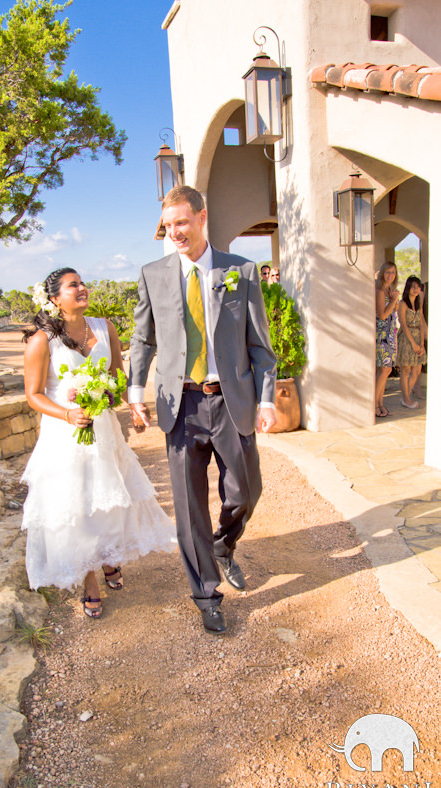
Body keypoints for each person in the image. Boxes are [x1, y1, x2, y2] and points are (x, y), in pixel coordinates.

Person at [129, 186, 277, 634]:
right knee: (190, 507)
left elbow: (260, 344)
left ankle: (224, 544)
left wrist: (266, 398)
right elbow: (143, 338)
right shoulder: (153, 273)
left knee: (247, 490)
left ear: (201, 217)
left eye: (182, 222)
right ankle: (206, 596)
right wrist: (136, 389)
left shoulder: (241, 270)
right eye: (168, 225)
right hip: (182, 404)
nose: (175, 232)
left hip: (231, 399)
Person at [21, 267, 176, 619]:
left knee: (108, 501)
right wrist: (67, 414)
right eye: (72, 285)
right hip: (65, 434)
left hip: (103, 430)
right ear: (54, 299)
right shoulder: (41, 341)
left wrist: (127, 405)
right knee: (78, 507)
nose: (82, 288)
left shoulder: (105, 328)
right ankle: (90, 580)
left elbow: (118, 378)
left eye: (82, 283)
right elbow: (33, 395)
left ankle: (109, 559)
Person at [397, 275, 427, 409]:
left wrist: (421, 343)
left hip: (417, 338)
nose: (416, 289)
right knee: (405, 370)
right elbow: (403, 324)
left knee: (417, 369)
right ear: (408, 287)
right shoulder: (403, 303)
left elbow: (421, 324)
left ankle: (406, 396)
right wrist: (413, 344)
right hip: (406, 339)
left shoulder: (418, 304)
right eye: (413, 286)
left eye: (417, 286)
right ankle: (406, 398)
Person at [375, 261, 399, 419]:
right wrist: (393, 300)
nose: (390, 275)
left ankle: (380, 403)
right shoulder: (380, 291)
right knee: (385, 369)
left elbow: (394, 311)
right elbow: (382, 315)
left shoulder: (389, 290)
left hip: (391, 332)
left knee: (386, 370)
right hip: (382, 333)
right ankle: (374, 405)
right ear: (382, 273)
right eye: (387, 272)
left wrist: (394, 300)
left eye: (393, 272)